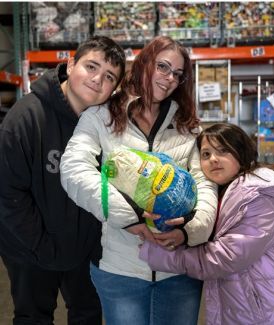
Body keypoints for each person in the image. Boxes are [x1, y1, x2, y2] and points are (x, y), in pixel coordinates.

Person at [60, 35, 218, 325]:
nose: (169, 78)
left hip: (179, 270)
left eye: (177, 74)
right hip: (121, 270)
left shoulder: (187, 126)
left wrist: (190, 231)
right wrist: (128, 216)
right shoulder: (101, 116)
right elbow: (73, 169)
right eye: (162, 66)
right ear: (145, 63)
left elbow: (205, 183)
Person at [140, 122, 274, 325]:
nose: (213, 159)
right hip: (258, 303)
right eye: (206, 154)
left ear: (242, 152)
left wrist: (158, 253)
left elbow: (224, 258)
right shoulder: (226, 192)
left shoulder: (257, 198)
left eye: (223, 151)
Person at [0, 36, 126, 324]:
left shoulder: (105, 125)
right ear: (70, 65)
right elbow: (8, 195)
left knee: (88, 315)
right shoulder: (25, 118)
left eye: (108, 77)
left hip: (84, 249)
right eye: (91, 66)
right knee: (33, 317)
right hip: (30, 249)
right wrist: (44, 248)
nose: (97, 79)